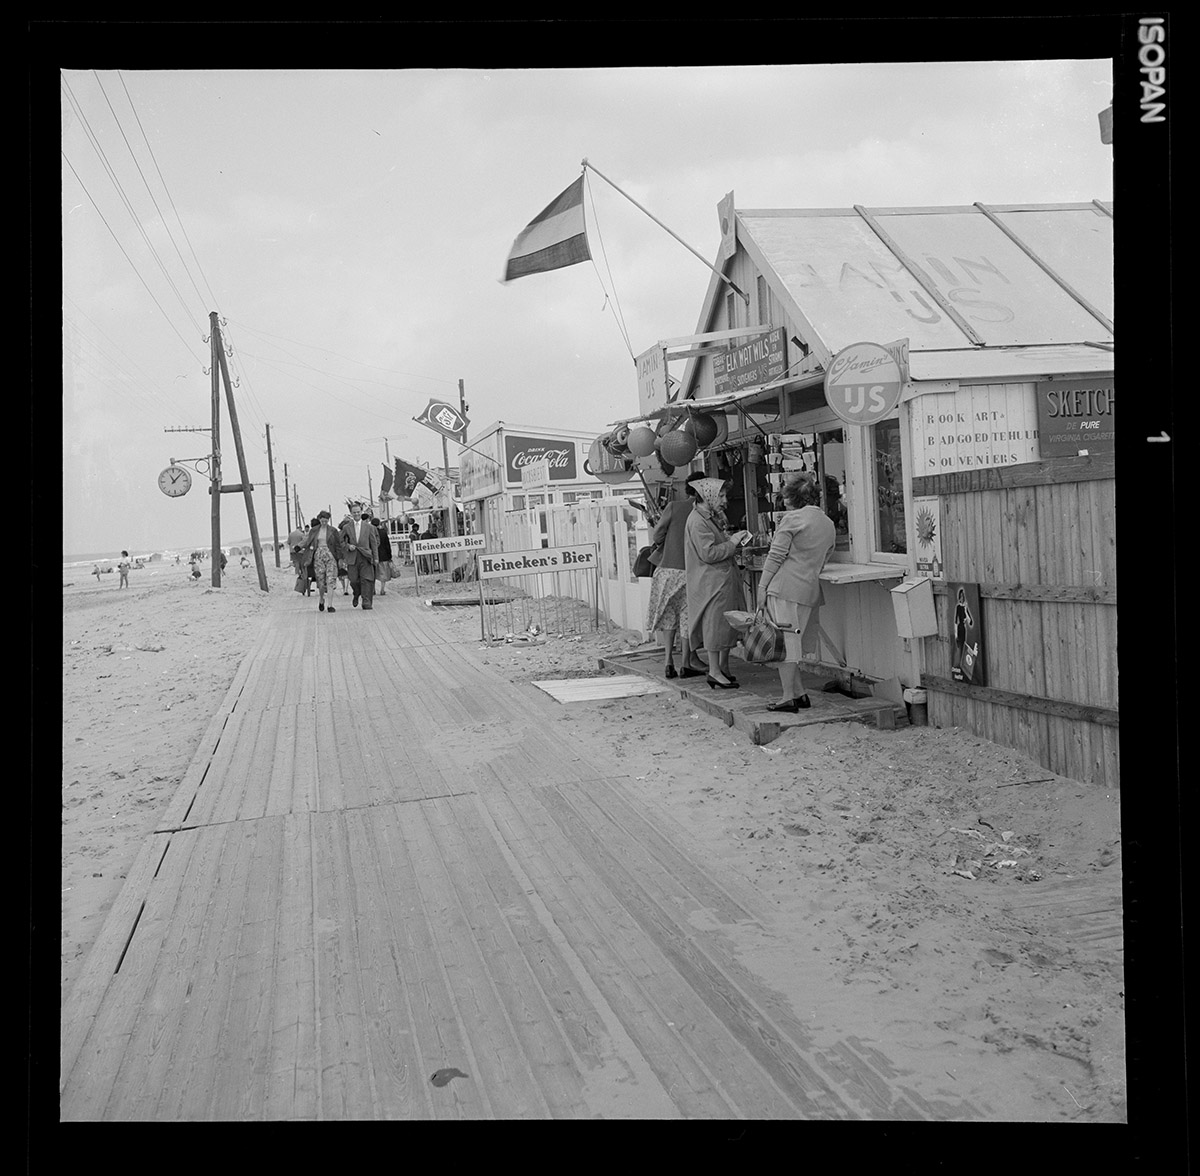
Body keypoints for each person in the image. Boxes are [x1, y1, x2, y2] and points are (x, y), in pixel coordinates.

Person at [754, 472, 837, 712]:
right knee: (793, 644)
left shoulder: (791, 520)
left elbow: (775, 556)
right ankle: (799, 693)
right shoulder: (828, 523)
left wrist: (762, 587)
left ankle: (788, 696)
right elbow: (825, 557)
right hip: (809, 588)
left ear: (791, 499)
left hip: (784, 587)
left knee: (784, 646)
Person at [684, 477, 751, 690]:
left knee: (723, 627)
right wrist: (732, 543)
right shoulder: (697, 521)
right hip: (712, 582)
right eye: (720, 496)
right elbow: (708, 553)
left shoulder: (707, 517)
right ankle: (714, 671)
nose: (724, 501)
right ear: (708, 496)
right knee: (715, 627)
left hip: (718, 580)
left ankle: (722, 667)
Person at [645, 472, 707, 679]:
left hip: (667, 571)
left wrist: (667, 541)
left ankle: (668, 660)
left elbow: (657, 534)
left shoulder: (674, 507)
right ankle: (686, 662)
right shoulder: (704, 513)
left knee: (669, 617)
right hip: (690, 571)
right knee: (687, 617)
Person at [298, 510, 347, 612]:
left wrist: (340, 558)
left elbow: (338, 545)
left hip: (330, 556)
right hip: (318, 556)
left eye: (326, 521)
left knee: (330, 579)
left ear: (328, 520)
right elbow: (308, 540)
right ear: (319, 519)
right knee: (320, 581)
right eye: (322, 521)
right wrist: (299, 546)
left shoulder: (333, 531)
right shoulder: (314, 530)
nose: (324, 523)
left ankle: (330, 605)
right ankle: (321, 599)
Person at [340, 502, 380, 609]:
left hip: (366, 556)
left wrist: (376, 558)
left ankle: (366, 602)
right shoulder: (346, 527)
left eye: (358, 512)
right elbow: (340, 542)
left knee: (366, 579)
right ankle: (356, 593)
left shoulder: (369, 527)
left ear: (361, 512)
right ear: (351, 513)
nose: (356, 514)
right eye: (354, 512)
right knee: (354, 580)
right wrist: (348, 546)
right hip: (353, 557)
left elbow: (374, 543)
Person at [374, 515, 393, 595]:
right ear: (379, 524)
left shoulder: (370, 532)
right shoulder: (383, 532)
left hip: (373, 556)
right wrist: (389, 556)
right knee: (383, 573)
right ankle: (382, 589)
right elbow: (387, 545)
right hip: (383, 555)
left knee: (373, 573)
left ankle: (373, 590)